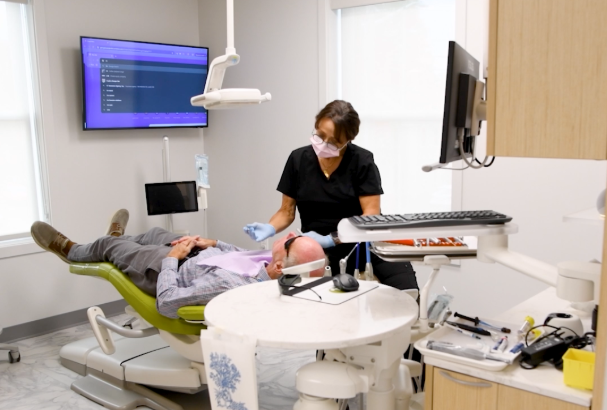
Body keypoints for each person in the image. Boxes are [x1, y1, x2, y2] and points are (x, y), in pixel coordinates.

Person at [243, 100, 418, 291]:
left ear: (348, 140)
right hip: (318, 249)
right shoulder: (298, 160)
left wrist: (332, 238)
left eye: (334, 142)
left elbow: (371, 216)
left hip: (363, 244)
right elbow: (286, 211)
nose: (324, 145)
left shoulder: (362, 161)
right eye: (320, 135)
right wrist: (270, 227)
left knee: (407, 290)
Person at [31, 210, 326, 318]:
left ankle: (73, 249)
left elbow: (169, 303)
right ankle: (116, 243)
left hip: (166, 270)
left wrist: (173, 259)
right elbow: (239, 256)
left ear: (279, 269)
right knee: (155, 232)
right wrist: (212, 244)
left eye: (290, 241)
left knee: (111, 246)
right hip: (195, 256)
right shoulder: (269, 266)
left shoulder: (231, 286)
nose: (288, 234)